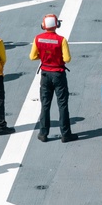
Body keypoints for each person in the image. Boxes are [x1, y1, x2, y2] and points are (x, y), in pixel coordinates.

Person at [30, 13, 77, 143]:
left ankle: (43, 133)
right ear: (57, 25)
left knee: (45, 105)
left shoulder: (38, 38)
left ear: (43, 25)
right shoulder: (61, 40)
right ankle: (65, 134)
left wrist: (45, 57)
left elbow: (32, 57)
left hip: (45, 74)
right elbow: (67, 59)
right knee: (62, 105)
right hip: (58, 74)